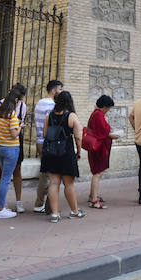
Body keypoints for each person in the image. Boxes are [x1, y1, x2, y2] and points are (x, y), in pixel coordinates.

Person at [0, 83, 28, 215]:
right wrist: (19, 127)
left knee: (16, 171)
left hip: (8, 142)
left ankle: (17, 202)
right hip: (8, 143)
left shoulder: (22, 107)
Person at [41, 91, 85, 222]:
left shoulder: (49, 116)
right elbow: (78, 137)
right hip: (66, 152)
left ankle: (54, 214)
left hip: (51, 153)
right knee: (69, 184)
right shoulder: (72, 116)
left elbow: (44, 134)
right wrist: (79, 152)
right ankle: (74, 211)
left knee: (54, 183)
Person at [33, 80, 63, 213]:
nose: (61, 92)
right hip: (47, 142)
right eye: (60, 89)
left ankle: (40, 203)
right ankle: (42, 204)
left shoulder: (39, 103)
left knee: (44, 173)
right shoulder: (51, 106)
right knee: (49, 175)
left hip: (39, 141)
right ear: (54, 90)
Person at [87, 95, 120, 207]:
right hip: (99, 149)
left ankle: (92, 195)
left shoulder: (96, 113)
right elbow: (102, 133)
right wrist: (113, 136)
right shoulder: (98, 115)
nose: (108, 110)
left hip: (99, 148)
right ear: (105, 106)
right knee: (98, 173)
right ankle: (94, 201)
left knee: (97, 172)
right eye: (108, 108)